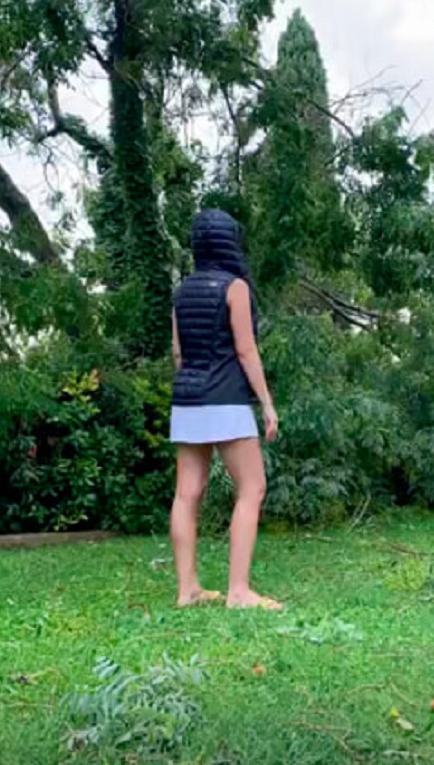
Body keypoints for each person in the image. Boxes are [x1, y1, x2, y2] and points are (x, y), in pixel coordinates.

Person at [169, 208, 282, 610]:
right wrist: (266, 404)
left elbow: (179, 353)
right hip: (227, 399)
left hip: (186, 398)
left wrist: (193, 389)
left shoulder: (182, 291)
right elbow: (245, 349)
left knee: (187, 494)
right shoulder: (235, 287)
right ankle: (238, 591)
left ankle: (188, 590)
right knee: (252, 488)